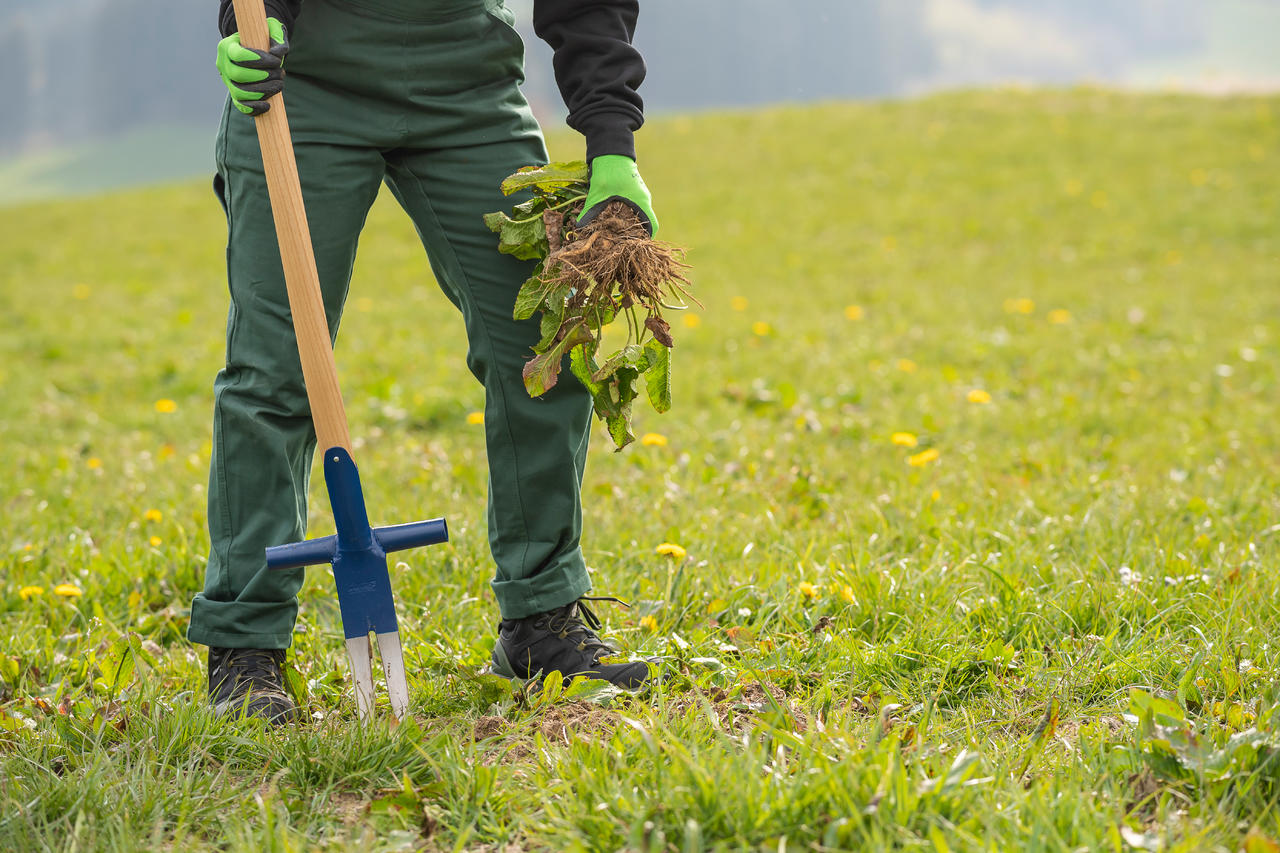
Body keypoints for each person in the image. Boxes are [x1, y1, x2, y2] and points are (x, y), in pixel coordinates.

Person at [189, 0, 659, 723]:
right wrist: (249, 18)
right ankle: (245, 646)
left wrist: (614, 145)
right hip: (306, 80)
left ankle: (541, 618)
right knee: (274, 370)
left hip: (468, 82)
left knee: (543, 343)